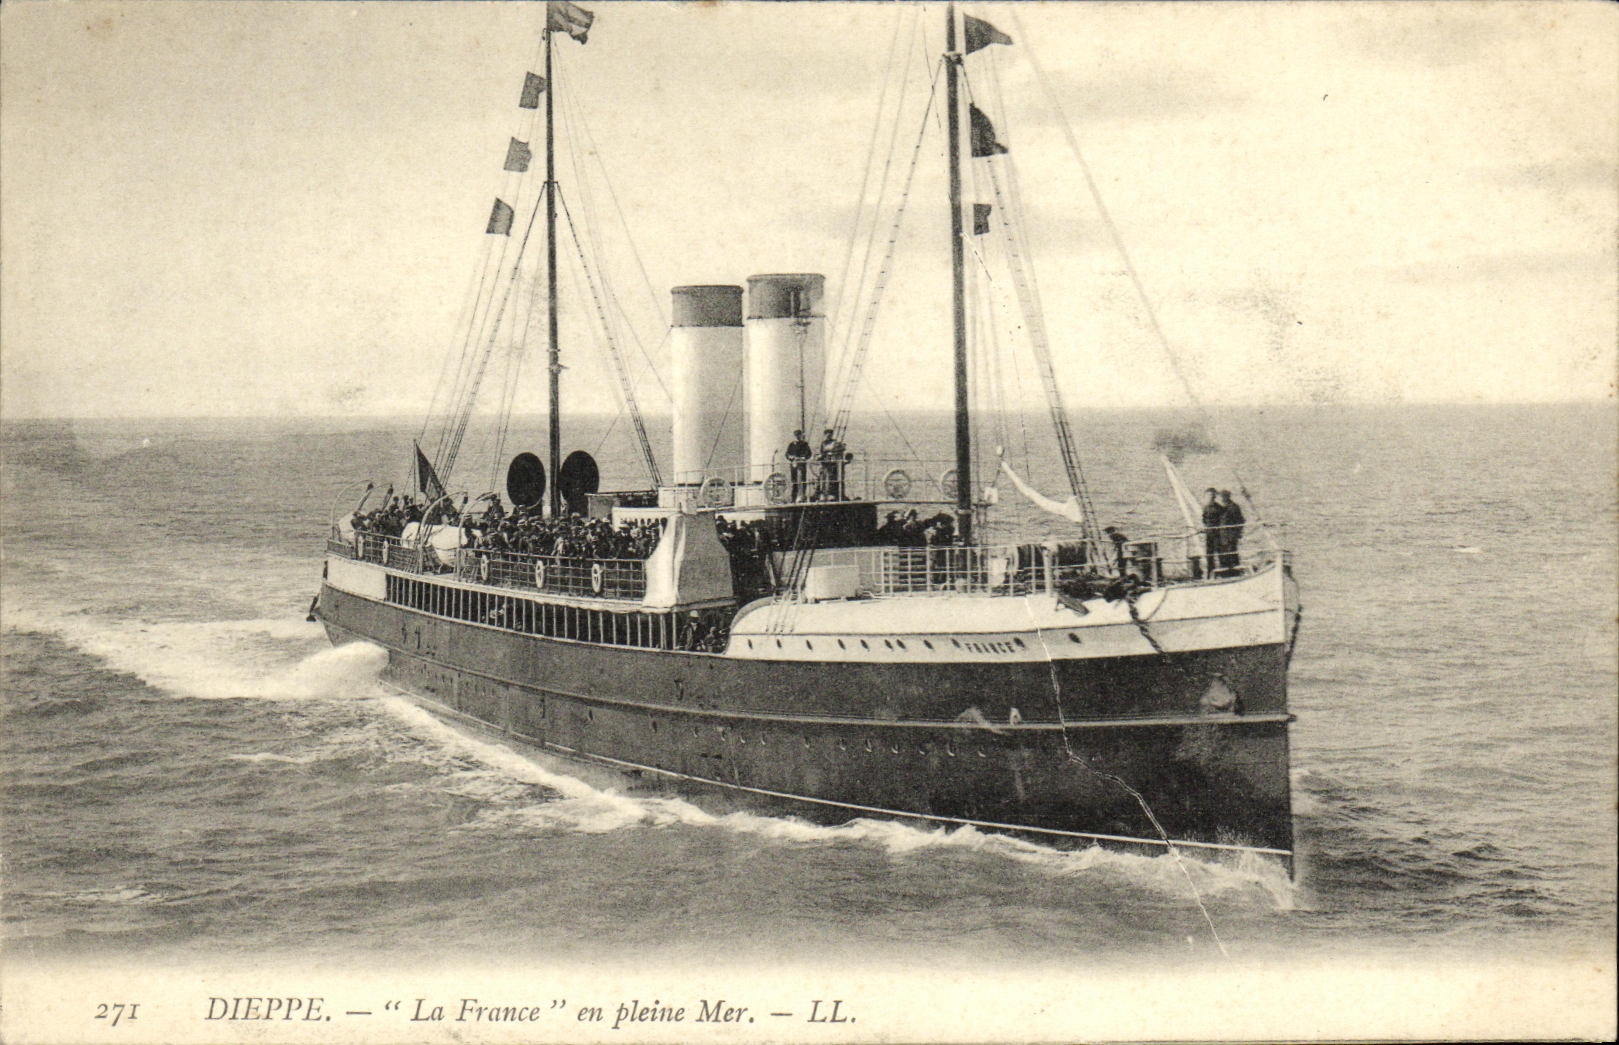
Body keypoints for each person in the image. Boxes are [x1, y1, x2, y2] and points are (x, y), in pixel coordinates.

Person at [1217, 489, 1245, 574]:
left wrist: (1237, 532)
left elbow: (1240, 520)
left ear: (1227, 497)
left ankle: (1235, 572)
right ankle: (1226, 573)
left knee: (1232, 554)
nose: (1221, 499)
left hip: (1230, 535)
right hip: (1223, 536)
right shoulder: (1223, 507)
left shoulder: (1233, 507)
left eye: (1223, 496)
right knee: (1224, 555)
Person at [1200, 488, 1223, 578]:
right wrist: (1205, 527)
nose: (1210, 497)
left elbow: (1222, 519)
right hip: (1209, 534)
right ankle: (1210, 574)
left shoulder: (1219, 508)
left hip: (1217, 533)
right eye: (1208, 495)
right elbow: (1204, 519)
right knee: (1209, 554)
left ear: (1214, 496)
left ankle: (1222, 573)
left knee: (1220, 553)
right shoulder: (1206, 508)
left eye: (1212, 495)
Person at [786, 430, 812, 502]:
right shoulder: (792, 444)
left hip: (801, 464)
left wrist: (804, 457)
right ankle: (794, 497)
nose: (797, 437)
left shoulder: (804, 444)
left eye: (799, 435)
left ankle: (802, 496)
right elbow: (787, 454)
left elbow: (809, 453)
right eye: (796, 435)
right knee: (794, 481)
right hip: (794, 465)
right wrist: (790, 457)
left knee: (803, 480)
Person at [817, 428, 842, 500]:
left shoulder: (835, 443)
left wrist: (833, 454)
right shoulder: (823, 443)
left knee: (832, 477)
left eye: (830, 434)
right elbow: (822, 452)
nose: (828, 435)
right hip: (825, 462)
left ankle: (831, 494)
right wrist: (820, 456)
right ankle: (823, 494)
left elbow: (839, 451)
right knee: (823, 477)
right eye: (827, 434)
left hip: (832, 462)